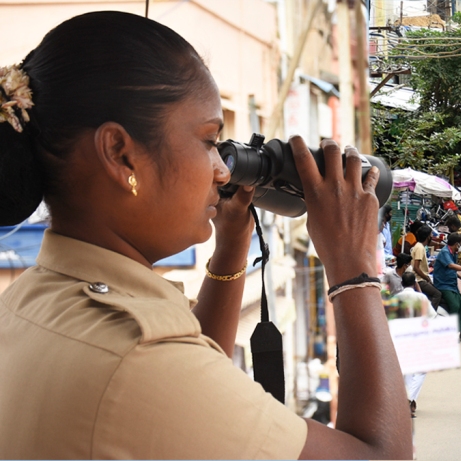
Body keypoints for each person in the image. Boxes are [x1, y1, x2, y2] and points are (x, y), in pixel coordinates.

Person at [0, 11, 413, 458]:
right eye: (208, 141)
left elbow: (198, 372)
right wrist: (353, 268)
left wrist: (232, 243)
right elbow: (381, 454)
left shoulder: (32, 299)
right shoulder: (142, 361)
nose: (220, 171)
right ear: (120, 154)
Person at [392, 272, 439, 418]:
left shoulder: (395, 299)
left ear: (402, 283)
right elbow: (432, 316)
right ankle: (410, 399)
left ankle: (409, 400)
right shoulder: (421, 297)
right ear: (414, 283)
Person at [411, 226, 443, 307]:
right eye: (431, 234)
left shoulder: (420, 246)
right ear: (428, 236)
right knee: (437, 294)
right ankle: (431, 314)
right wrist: (426, 278)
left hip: (421, 278)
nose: (432, 236)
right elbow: (416, 267)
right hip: (419, 280)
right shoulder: (420, 248)